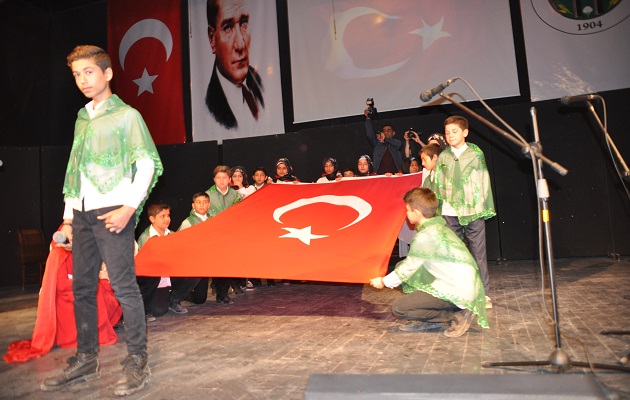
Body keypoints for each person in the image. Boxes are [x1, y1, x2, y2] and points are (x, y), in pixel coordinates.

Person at [41, 45, 162, 396]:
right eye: (77, 74)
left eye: (89, 72)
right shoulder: (82, 117)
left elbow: (147, 163)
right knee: (82, 288)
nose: (83, 80)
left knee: (124, 288)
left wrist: (128, 208)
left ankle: (137, 361)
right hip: (81, 216)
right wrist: (68, 218)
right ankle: (86, 358)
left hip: (112, 213)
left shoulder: (127, 115)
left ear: (107, 74)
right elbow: (75, 170)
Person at [370, 188, 488, 337]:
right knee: (400, 266)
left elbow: (407, 269)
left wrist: (383, 282)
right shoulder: (438, 228)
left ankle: (456, 315)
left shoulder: (425, 236)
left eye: (408, 210)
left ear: (416, 213)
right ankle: (430, 317)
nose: (406, 214)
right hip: (464, 284)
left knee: (399, 308)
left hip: (457, 290)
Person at [5, 230, 122, 364]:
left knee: (106, 285)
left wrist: (98, 276)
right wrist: (91, 280)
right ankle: (94, 333)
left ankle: (103, 325)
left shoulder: (77, 252)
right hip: (66, 296)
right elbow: (61, 285)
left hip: (77, 288)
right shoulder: (58, 254)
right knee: (96, 292)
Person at [433, 116, 496, 307]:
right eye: (447, 132)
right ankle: (458, 292)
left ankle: (483, 293)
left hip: (472, 210)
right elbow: (438, 183)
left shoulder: (475, 153)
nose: (450, 135)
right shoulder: (443, 156)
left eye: (454, 131)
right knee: (454, 253)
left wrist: (483, 204)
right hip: (449, 211)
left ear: (465, 132)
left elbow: (483, 180)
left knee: (478, 252)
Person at [205, 0, 264, 132]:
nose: (240, 45)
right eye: (228, 28)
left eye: (243, 23)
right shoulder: (207, 108)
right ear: (212, 39)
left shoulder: (259, 84)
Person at [136, 203, 199, 318]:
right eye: (162, 216)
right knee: (159, 311)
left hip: (170, 274)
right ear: (152, 219)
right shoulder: (145, 238)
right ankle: (149, 304)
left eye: (168, 215)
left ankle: (174, 299)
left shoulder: (172, 235)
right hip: (155, 280)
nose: (167, 219)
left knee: (195, 271)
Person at [207, 165, 243, 303]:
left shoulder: (235, 195)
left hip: (231, 235)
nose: (221, 181)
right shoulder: (207, 195)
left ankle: (222, 294)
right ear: (214, 179)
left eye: (224, 178)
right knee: (217, 264)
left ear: (229, 180)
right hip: (214, 235)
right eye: (218, 178)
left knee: (228, 264)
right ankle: (217, 286)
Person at [178, 192, 212, 304]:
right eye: (198, 202)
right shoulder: (187, 223)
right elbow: (180, 244)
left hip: (208, 261)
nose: (202, 205)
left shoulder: (214, 220)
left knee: (200, 299)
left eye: (205, 202)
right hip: (192, 263)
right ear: (193, 205)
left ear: (209, 205)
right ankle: (176, 294)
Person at [364, 109, 403, 174]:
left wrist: (385, 139)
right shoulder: (377, 143)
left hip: (395, 175)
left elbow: (399, 145)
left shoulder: (396, 143)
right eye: (384, 131)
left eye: (388, 130)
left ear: (393, 133)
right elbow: (370, 134)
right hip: (380, 175)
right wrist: (368, 119)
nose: (386, 132)